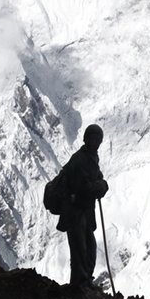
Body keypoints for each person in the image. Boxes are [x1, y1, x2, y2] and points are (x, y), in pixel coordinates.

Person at [56, 124, 109, 289]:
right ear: (86, 139)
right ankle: (79, 284)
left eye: (97, 139)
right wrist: (100, 187)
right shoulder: (80, 160)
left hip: (83, 211)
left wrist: (99, 182)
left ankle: (84, 281)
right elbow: (82, 188)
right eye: (93, 139)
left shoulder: (90, 157)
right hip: (75, 212)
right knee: (80, 249)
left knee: (88, 247)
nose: (95, 142)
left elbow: (93, 177)